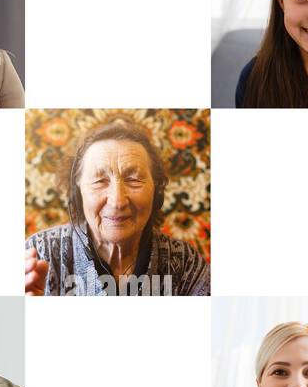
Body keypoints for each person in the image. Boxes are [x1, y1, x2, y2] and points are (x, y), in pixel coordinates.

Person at [24, 118, 211, 296]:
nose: (117, 201)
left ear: (157, 191)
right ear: (77, 193)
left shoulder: (186, 263)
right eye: (99, 181)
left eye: (133, 179)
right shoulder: (40, 253)